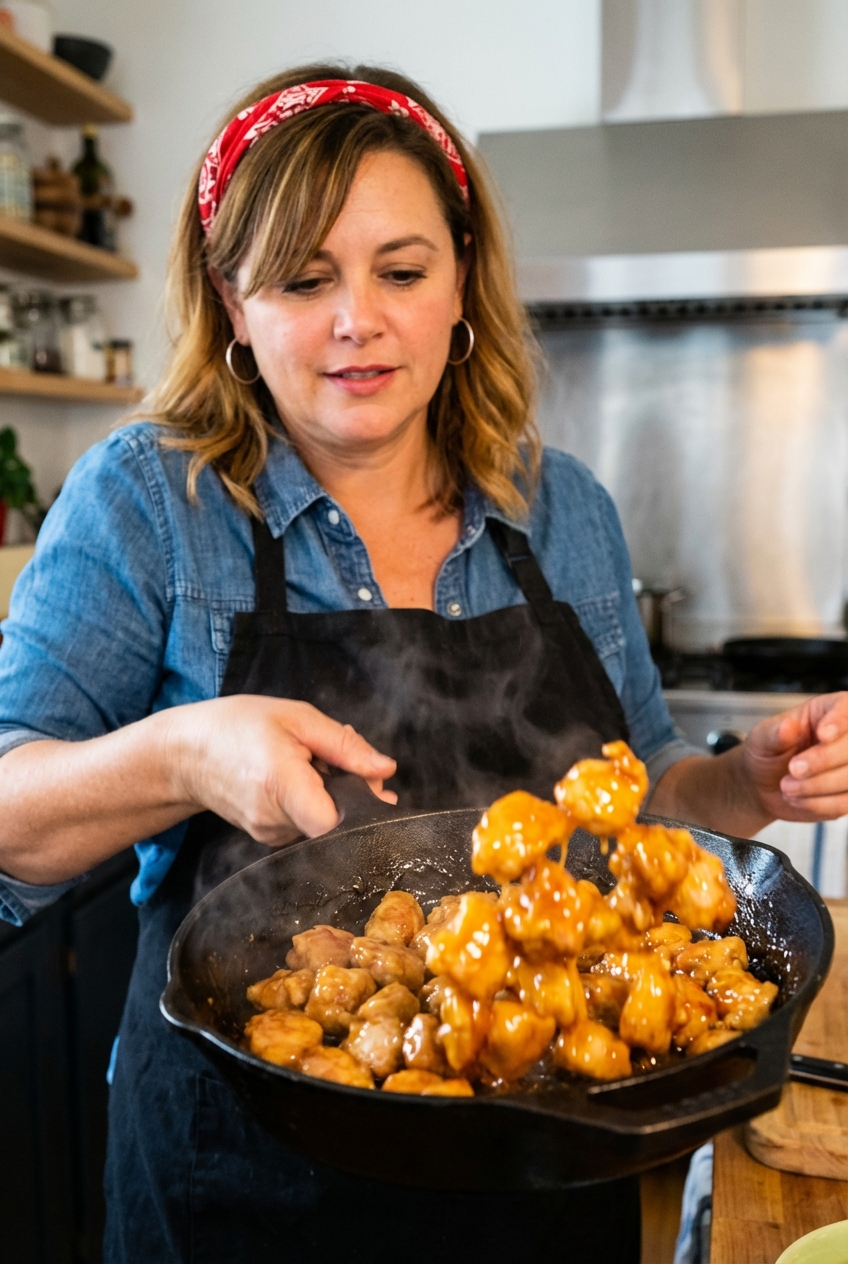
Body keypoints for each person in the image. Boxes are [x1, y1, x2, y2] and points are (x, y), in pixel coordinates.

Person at [0, 63, 845, 1264]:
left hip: (549, 1165)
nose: (359, 319)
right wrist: (187, 751)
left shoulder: (561, 510)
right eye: (303, 280)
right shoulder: (149, 503)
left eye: (400, 271)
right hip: (239, 1185)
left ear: (458, 286)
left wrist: (742, 783)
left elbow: (640, 785)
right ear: (232, 303)